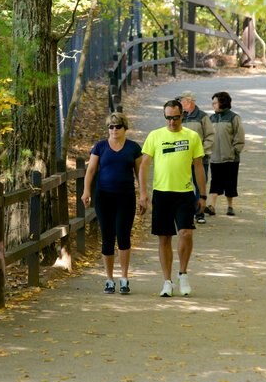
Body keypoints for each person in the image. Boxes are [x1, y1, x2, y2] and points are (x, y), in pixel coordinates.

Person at [138, 99, 207, 297]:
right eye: (168, 118)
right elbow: (144, 165)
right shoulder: (155, 136)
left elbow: (199, 166)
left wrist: (202, 195)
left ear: (182, 116)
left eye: (175, 118)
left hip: (184, 193)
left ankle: (183, 273)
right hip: (162, 193)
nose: (171, 122)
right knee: (164, 237)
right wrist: (143, 194)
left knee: (186, 233)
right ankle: (167, 281)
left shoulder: (192, 137)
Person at [81, 112, 144, 295]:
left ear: (125, 128)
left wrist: (143, 195)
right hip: (104, 196)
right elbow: (91, 170)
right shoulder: (100, 147)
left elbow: (140, 174)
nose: (114, 130)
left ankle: (124, 278)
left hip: (126, 196)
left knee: (123, 236)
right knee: (107, 237)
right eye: (111, 127)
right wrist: (86, 191)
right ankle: (109, 279)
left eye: (118, 127)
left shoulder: (133, 148)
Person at [178, 91, 214, 224]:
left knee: (200, 185)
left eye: (182, 101)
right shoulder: (179, 116)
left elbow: (210, 136)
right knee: (184, 185)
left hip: (200, 158)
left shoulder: (203, 117)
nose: (180, 103)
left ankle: (199, 213)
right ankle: (187, 211)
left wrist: (202, 151)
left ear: (189, 101)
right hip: (182, 158)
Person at [207, 91, 245, 216]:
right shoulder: (211, 118)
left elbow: (239, 136)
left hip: (230, 158)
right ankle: (211, 206)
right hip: (215, 157)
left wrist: (235, 150)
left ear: (222, 103)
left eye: (215, 102)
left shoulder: (234, 117)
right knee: (215, 182)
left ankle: (230, 206)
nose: (213, 105)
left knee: (230, 183)